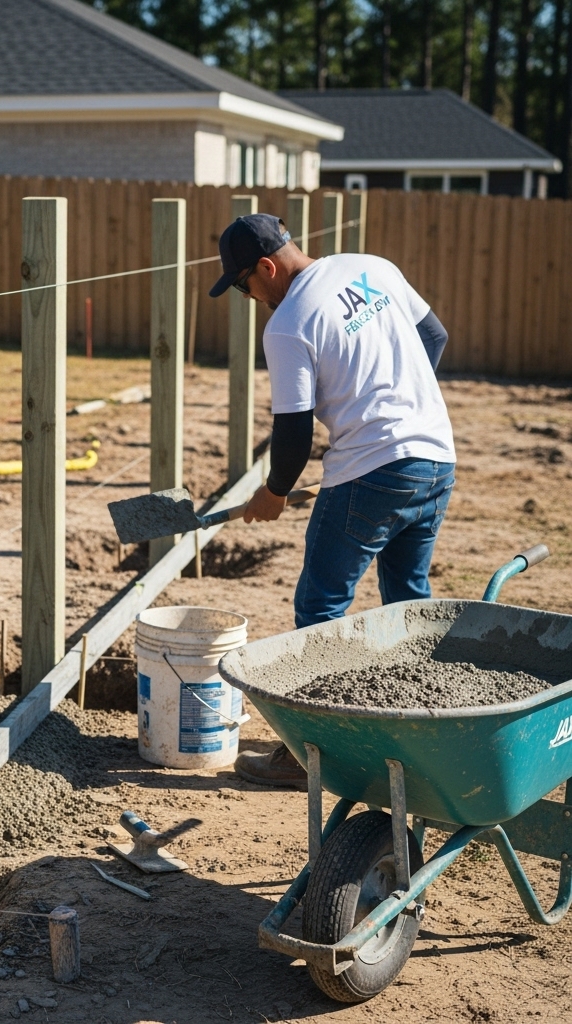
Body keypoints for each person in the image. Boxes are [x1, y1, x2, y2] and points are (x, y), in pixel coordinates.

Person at [208, 214, 455, 788]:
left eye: (244, 286)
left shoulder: (290, 322)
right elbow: (435, 336)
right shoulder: (372, 267)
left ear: (266, 268)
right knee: (409, 601)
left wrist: (273, 492)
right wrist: (403, 418)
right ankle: (427, 734)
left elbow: (293, 432)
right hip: (437, 458)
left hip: (369, 472)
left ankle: (312, 754)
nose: (249, 298)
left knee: (319, 609)